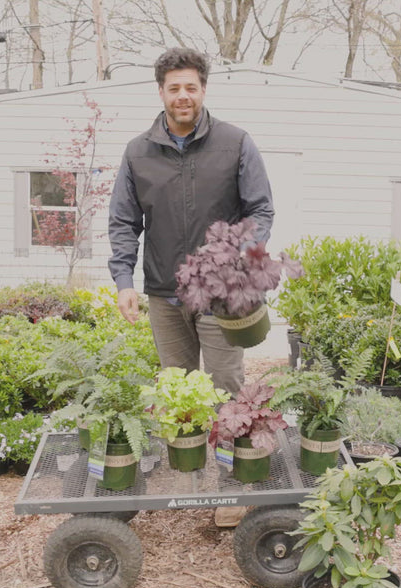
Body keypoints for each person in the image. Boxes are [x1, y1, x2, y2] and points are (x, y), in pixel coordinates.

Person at [107, 47, 274, 398]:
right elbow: (124, 221)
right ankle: (186, 456)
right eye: (174, 88)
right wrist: (124, 281)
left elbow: (260, 210)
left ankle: (226, 454)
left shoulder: (236, 143)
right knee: (178, 395)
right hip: (165, 296)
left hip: (221, 296)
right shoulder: (138, 153)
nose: (183, 96)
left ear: (203, 90)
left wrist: (236, 256)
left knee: (225, 390)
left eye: (191, 88)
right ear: (161, 92)